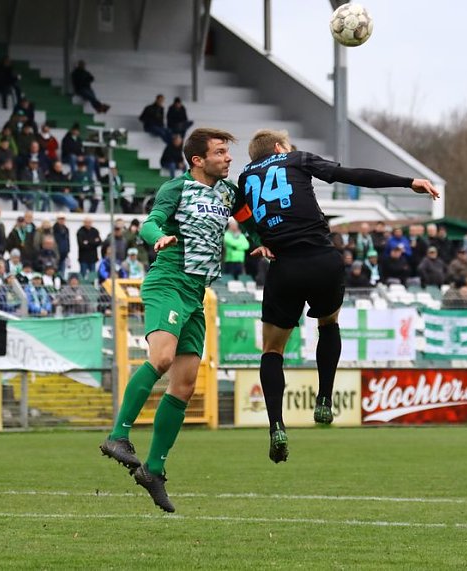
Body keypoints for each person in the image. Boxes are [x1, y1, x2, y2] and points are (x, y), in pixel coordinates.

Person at [230, 129, 438, 463]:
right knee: (329, 323)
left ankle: (276, 426)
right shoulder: (296, 158)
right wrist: (406, 182)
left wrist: (260, 238)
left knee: (272, 349)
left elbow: (240, 214)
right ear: (281, 147)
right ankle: (325, 398)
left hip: (284, 267)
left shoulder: (244, 177)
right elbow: (350, 175)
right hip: (323, 261)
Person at [99, 128, 237, 513]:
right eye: (221, 152)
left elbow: (250, 218)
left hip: (196, 293)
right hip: (168, 281)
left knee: (185, 385)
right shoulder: (175, 188)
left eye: (228, 152)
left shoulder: (228, 192)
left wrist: (261, 238)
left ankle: (153, 470)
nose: (228, 158)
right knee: (161, 359)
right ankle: (117, 436)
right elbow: (149, 222)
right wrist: (158, 237)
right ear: (198, 160)